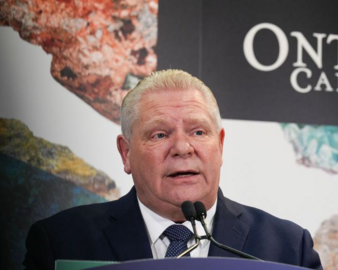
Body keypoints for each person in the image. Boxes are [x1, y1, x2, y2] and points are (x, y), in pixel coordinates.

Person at [23, 70, 322, 269]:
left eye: (198, 133)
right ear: (126, 153)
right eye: (160, 135)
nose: (182, 147)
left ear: (220, 146)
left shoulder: (288, 249)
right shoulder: (61, 242)